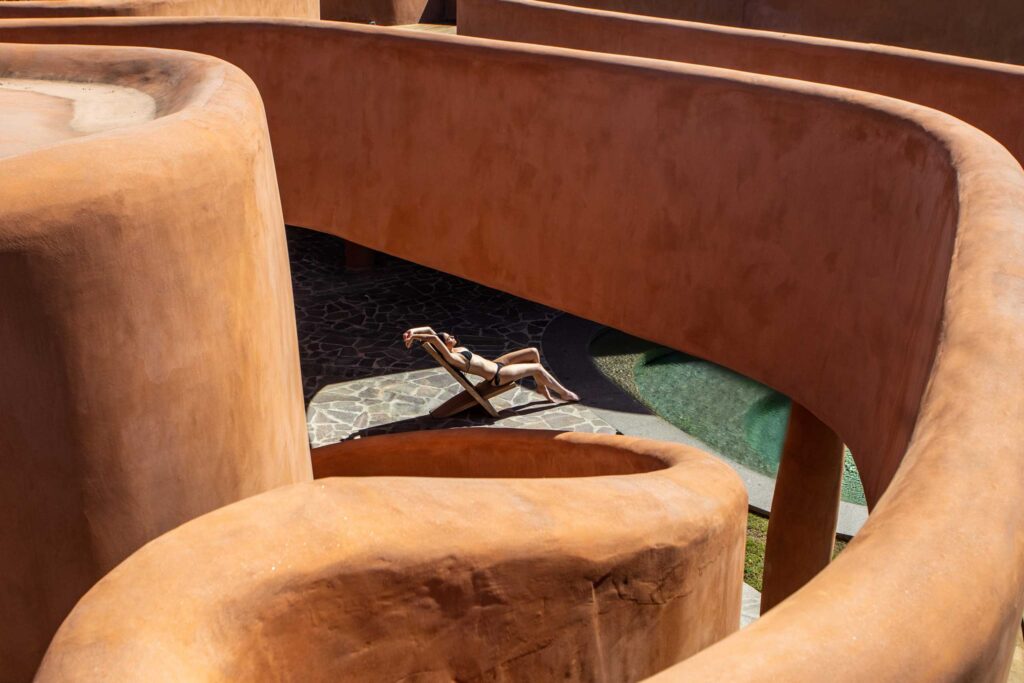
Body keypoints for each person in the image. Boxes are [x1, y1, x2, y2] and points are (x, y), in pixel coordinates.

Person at [403, 326, 579, 402]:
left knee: (532, 352)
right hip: (498, 376)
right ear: (443, 345)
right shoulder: (452, 358)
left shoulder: (453, 351)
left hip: (497, 364)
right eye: (449, 338)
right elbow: (433, 337)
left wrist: (412, 332)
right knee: (537, 368)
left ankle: (541, 387)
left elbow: (428, 330)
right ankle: (564, 393)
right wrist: (418, 338)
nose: (453, 337)